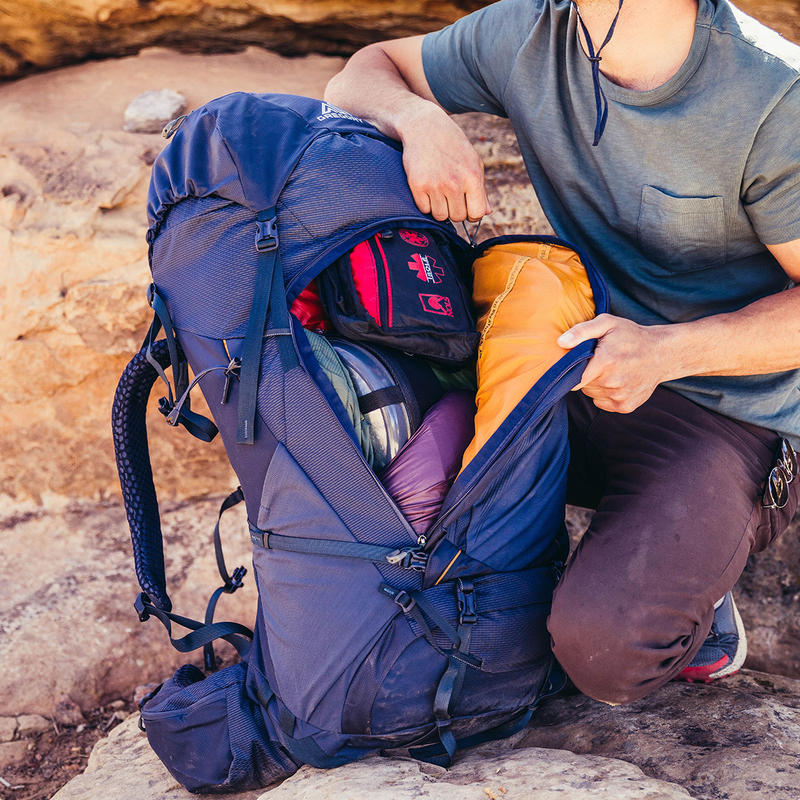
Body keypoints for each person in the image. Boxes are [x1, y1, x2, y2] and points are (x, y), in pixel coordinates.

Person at [324, 0, 800, 705]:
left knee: (604, 652)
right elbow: (365, 72)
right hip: (579, 355)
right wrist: (419, 119)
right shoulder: (529, 31)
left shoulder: (774, 95)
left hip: (728, 408)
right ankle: (602, 553)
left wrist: (664, 352)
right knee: (361, 411)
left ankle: (696, 573)